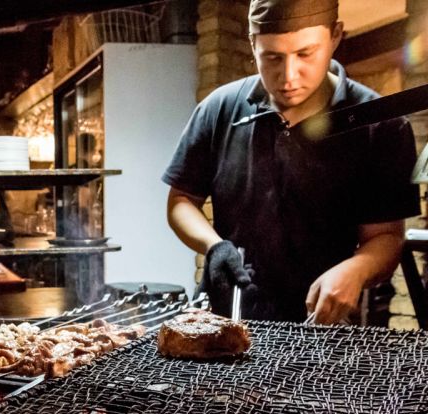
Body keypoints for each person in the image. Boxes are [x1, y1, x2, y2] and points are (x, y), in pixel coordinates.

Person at [162, 0, 420, 324]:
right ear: (253, 43)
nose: (288, 75)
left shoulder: (380, 125)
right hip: (231, 320)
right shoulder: (218, 109)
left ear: (335, 36)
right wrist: (213, 246)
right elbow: (181, 200)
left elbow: (386, 237)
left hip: (333, 328)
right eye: (272, 57)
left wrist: (356, 269)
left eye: (305, 54)